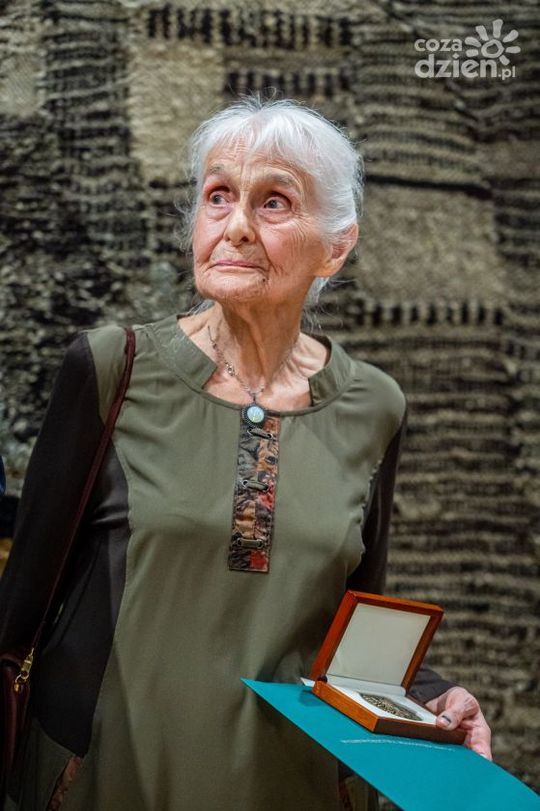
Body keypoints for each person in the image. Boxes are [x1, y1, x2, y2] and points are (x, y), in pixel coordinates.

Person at [0, 97, 491, 811]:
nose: (234, 226)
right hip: (109, 778)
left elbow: (352, 636)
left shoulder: (375, 405)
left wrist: (433, 696)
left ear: (336, 246)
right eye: (218, 195)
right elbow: (17, 616)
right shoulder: (113, 369)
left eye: (274, 203)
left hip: (292, 786)